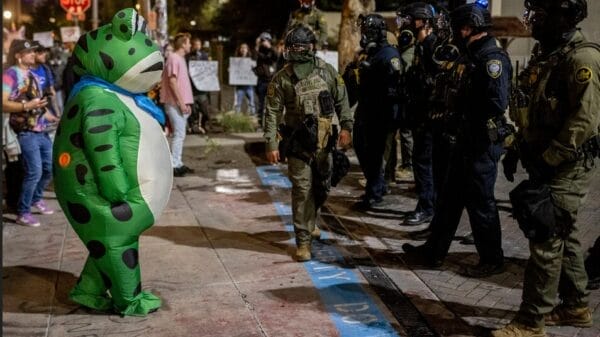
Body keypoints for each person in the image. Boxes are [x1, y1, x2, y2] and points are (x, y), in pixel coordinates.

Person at [492, 0, 599, 336]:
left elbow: (583, 122)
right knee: (563, 235)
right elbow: (530, 107)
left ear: (565, 16)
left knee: (546, 237)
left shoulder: (582, 59)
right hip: (543, 159)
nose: (533, 21)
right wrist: (516, 151)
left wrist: (548, 159)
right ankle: (575, 307)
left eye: (541, 14)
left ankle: (530, 321)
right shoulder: (546, 54)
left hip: (567, 164)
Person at [403, 3, 512, 278]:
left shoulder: (491, 59)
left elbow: (496, 103)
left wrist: (464, 107)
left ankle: (492, 259)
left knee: (481, 202)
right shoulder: (470, 55)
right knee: (449, 200)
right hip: (462, 140)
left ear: (467, 27)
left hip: (480, 144)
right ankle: (433, 251)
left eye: (455, 28)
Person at [264, 25, 353, 261]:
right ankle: (303, 240)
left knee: (322, 186)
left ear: (308, 48)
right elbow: (272, 112)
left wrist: (346, 127)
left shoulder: (327, 72)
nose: (292, 50)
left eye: (297, 46)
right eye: (290, 46)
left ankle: (311, 219)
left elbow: (342, 100)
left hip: (324, 142)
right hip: (297, 145)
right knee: (302, 191)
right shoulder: (282, 78)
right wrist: (271, 143)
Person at [2, 39, 58, 226]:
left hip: (41, 129)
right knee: (34, 171)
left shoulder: (32, 74)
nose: (33, 55)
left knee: (49, 168)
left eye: (34, 52)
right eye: (29, 52)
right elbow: (3, 103)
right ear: (18, 55)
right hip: (26, 132)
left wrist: (49, 114)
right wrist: (26, 105)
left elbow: (38, 101)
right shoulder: (10, 74)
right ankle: (23, 211)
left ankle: (36, 198)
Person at [353, 14, 404, 210]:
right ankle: (377, 185)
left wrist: (373, 72)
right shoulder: (369, 52)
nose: (363, 34)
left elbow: (394, 86)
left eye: (367, 30)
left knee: (374, 154)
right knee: (360, 145)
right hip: (365, 108)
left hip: (380, 112)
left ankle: (373, 193)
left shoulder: (389, 54)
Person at [396, 2, 439, 225]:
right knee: (421, 161)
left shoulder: (432, 45)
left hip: (429, 117)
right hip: (420, 114)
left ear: (421, 21)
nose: (407, 24)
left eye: (410, 19)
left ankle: (427, 207)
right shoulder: (422, 45)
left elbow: (436, 82)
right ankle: (427, 206)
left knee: (424, 163)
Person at [160, 32, 195, 177]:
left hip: (180, 103)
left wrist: (187, 102)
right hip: (175, 103)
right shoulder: (174, 58)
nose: (190, 45)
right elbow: (173, 82)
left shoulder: (179, 58)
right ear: (183, 44)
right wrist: (181, 103)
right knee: (179, 134)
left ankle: (178, 162)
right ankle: (174, 165)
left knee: (180, 134)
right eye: (188, 43)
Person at [254, 32, 278, 129]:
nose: (264, 42)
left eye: (265, 40)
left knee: (271, 103)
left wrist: (270, 47)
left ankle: (270, 124)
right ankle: (260, 124)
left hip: (270, 81)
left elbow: (276, 57)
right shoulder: (258, 50)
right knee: (260, 103)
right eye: (262, 40)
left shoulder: (272, 50)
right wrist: (256, 46)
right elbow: (254, 58)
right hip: (261, 80)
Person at [187, 37, 210, 134]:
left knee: (205, 110)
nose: (197, 47)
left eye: (198, 45)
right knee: (193, 111)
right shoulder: (188, 56)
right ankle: (193, 126)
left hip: (202, 89)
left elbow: (208, 69)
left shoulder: (204, 56)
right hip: (192, 89)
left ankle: (204, 124)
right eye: (195, 45)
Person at [233, 43, 256, 115]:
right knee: (238, 103)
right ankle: (237, 119)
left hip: (249, 86)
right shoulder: (235, 60)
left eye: (245, 48)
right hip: (240, 86)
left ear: (247, 50)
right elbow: (233, 71)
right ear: (239, 50)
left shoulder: (251, 59)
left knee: (251, 103)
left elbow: (255, 69)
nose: (243, 49)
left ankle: (253, 119)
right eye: (242, 48)